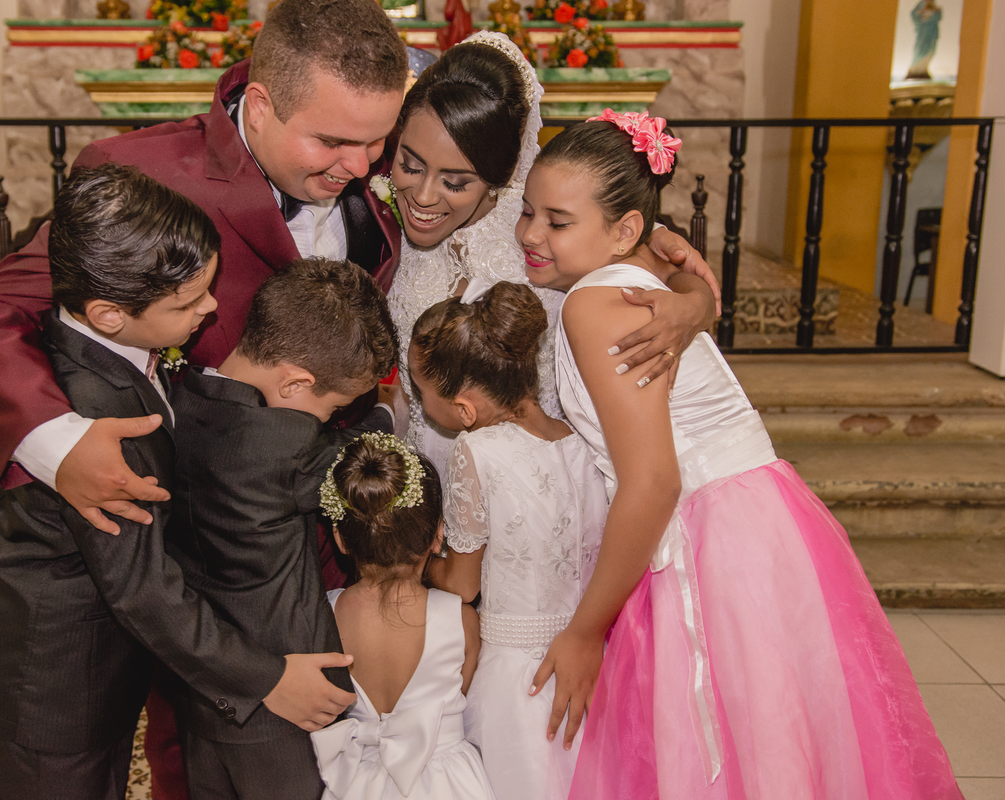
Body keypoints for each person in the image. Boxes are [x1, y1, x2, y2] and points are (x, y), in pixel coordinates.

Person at [0, 1, 408, 792]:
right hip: (159, 541)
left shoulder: (371, 178)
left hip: (295, 544)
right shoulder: (141, 178)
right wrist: (61, 446)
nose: (362, 165)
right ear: (259, 107)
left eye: (378, 142)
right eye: (333, 142)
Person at [517, 111, 963, 798]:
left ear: (624, 230)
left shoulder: (592, 305)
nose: (530, 234)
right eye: (528, 212)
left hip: (710, 538)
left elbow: (653, 482)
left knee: (725, 740)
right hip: (763, 520)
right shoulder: (640, 271)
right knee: (780, 729)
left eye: (557, 221)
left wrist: (585, 632)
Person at [0, 165, 349, 800]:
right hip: (55, 685)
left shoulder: (106, 346)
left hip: (99, 660)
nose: (210, 308)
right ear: (109, 315)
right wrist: (268, 678)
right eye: (187, 304)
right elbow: (142, 589)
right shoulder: (103, 426)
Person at [383, 31, 720, 476]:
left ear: (497, 176)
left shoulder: (539, 227)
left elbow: (663, 268)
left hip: (538, 481)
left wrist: (694, 305)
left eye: (455, 182)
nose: (424, 196)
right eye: (409, 165)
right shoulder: (382, 213)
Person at [167, 258, 399, 800]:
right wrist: (389, 414)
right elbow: (358, 455)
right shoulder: (283, 446)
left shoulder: (181, 398)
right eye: (335, 406)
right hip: (288, 708)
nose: (334, 418)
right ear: (294, 382)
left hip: (206, 694)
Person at [408, 279, 609, 800]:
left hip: (518, 676)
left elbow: (462, 585)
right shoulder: (579, 439)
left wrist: (423, 559)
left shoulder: (476, 451)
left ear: (465, 409)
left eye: (421, 392)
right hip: (592, 656)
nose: (419, 405)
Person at [310, 433, 495, 800]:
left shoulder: (324, 615)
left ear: (341, 539)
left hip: (355, 781)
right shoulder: (461, 620)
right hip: (447, 782)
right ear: (438, 536)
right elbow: (461, 691)